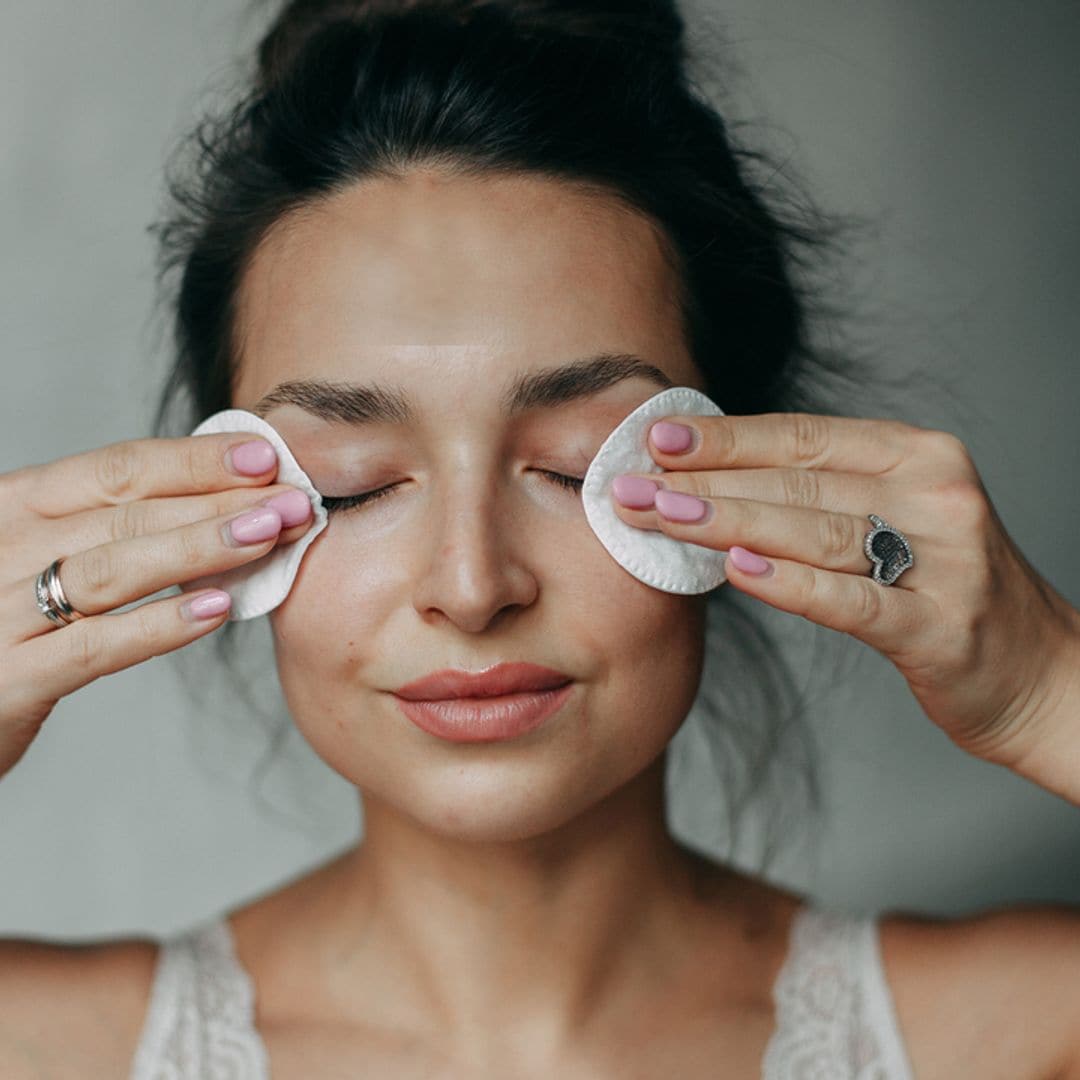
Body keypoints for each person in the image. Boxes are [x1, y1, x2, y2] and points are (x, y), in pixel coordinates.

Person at [2, 1, 1079, 1076]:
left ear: (755, 469)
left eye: (575, 464)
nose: (472, 585)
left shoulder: (1012, 1037)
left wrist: (1051, 692)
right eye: (350, 486)